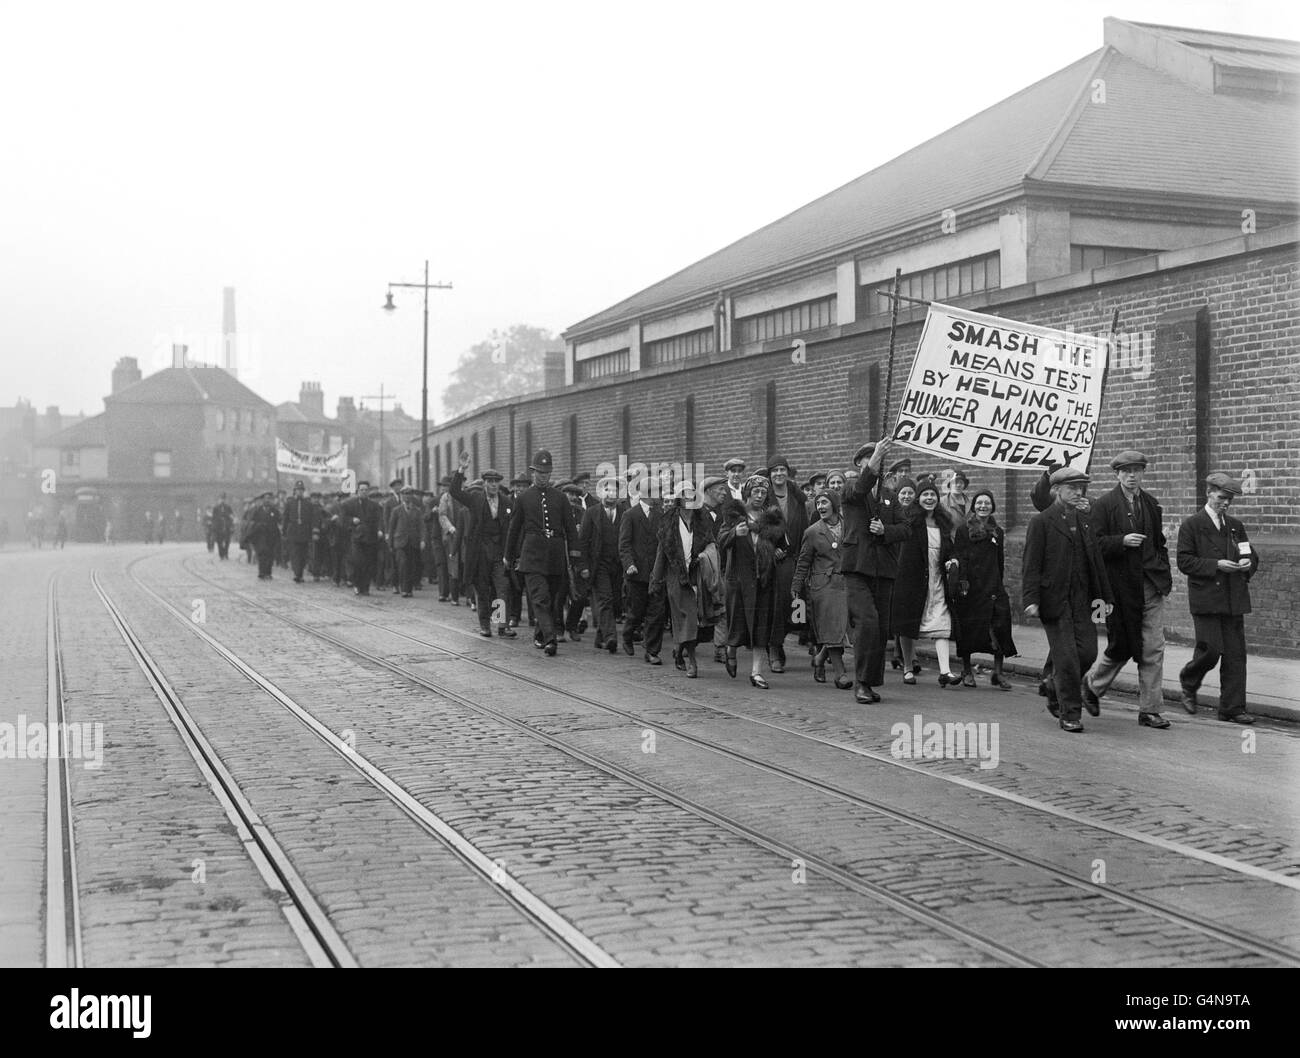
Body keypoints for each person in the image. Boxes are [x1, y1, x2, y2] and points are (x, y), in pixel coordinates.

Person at [1083, 452, 1174, 728]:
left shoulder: (1151, 504)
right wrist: (1121, 540)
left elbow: (1159, 544)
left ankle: (1149, 709)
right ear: (1117, 475)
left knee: (1153, 647)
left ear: (1143, 473)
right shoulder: (1104, 505)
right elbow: (1094, 545)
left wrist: (1163, 572)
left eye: (1136, 470)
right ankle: (1092, 685)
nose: (1132, 476)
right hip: (1121, 588)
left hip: (1150, 584)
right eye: (1126, 471)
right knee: (1122, 645)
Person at [1022, 467, 1113, 733]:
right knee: (1067, 660)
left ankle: (1053, 685)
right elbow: (1031, 565)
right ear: (1056, 490)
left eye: (1080, 488)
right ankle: (1070, 712)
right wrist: (1031, 599)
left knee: (1088, 652)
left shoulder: (1085, 520)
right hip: (1055, 599)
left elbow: (1096, 562)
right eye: (1071, 488)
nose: (1077, 492)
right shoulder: (1041, 522)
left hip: (1084, 600)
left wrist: (1105, 597)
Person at [1176, 473, 1260, 724]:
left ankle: (1232, 708)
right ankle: (1189, 682)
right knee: (1211, 650)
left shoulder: (1235, 526)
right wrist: (1216, 565)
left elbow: (1250, 554)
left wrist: (1247, 564)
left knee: (1235, 655)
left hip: (1234, 598)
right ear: (1209, 493)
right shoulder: (1192, 525)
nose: (1226, 504)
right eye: (1222, 498)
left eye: (1229, 500)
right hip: (1207, 598)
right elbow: (1184, 561)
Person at [841, 439, 909, 703]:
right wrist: (875, 458)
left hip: (884, 570)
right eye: (871, 459)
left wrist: (885, 532)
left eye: (879, 459)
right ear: (860, 463)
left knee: (880, 628)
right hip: (857, 568)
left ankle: (869, 682)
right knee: (867, 623)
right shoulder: (850, 489)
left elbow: (906, 529)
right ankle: (861, 683)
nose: (876, 463)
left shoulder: (890, 497)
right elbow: (860, 489)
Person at [505, 450, 586, 656]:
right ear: (533, 472)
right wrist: (508, 555)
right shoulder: (523, 498)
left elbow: (570, 529)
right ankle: (551, 639)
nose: (543, 476)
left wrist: (575, 555)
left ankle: (541, 634)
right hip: (532, 555)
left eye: (547, 472)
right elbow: (514, 529)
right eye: (540, 472)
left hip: (555, 556)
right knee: (540, 598)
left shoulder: (560, 498)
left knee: (550, 598)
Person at [717, 475, 787, 687]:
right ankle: (731, 649)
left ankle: (756, 672)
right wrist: (734, 533)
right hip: (739, 579)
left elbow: (783, 544)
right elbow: (720, 541)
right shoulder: (735, 516)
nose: (759, 496)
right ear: (747, 493)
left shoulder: (772, 519)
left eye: (763, 493)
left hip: (763, 579)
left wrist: (777, 552)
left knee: (761, 627)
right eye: (755, 492)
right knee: (737, 623)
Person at [894, 477, 961, 687]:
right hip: (913, 578)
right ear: (918, 499)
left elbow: (949, 548)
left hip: (937, 577)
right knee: (908, 623)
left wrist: (952, 560)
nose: (929, 498)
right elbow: (905, 552)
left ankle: (945, 671)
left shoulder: (943, 522)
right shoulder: (911, 521)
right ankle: (907, 667)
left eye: (932, 495)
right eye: (925, 495)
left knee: (943, 621)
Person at [954, 490, 1018, 690]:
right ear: (973, 506)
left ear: (992, 506)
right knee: (969, 629)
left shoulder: (997, 531)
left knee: (1001, 625)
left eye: (987, 503)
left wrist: (999, 583)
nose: (983, 506)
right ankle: (966, 670)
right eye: (979, 503)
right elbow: (960, 557)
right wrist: (963, 583)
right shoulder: (964, 530)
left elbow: (999, 561)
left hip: (993, 586)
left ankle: (998, 673)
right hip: (971, 587)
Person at [792, 490, 853, 689]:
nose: (820, 507)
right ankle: (840, 673)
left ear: (834, 504)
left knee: (841, 627)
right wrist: (796, 584)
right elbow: (803, 561)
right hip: (823, 585)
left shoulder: (849, 525)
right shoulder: (812, 532)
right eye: (818, 503)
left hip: (846, 582)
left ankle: (820, 659)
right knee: (832, 627)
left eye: (824, 502)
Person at [651, 494, 715, 678]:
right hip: (676, 578)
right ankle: (692, 663)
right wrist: (656, 580)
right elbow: (661, 554)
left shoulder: (702, 522)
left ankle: (679, 652)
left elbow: (712, 543)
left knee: (693, 620)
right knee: (688, 618)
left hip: (696, 576)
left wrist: (705, 555)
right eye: (685, 496)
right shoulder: (669, 525)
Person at [450, 453, 514, 635]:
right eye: (490, 481)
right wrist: (461, 470)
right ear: (484, 483)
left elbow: (510, 529)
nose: (493, 485)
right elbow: (454, 492)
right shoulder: (475, 499)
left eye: (496, 481)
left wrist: (508, 554)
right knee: (483, 589)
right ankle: (485, 625)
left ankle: (502, 625)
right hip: (479, 552)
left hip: (499, 553)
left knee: (502, 587)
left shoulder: (507, 502)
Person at [764, 455, 808, 672]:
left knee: (797, 605)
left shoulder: (798, 498)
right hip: (774, 562)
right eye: (775, 470)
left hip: (796, 559)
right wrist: (772, 550)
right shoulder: (765, 498)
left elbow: (805, 528)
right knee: (776, 606)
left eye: (782, 470)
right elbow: (759, 529)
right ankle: (774, 647)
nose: (779, 474)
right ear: (769, 474)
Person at [618, 475, 667, 663]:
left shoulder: (661, 515)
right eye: (658, 491)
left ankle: (652, 650)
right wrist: (629, 564)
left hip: (656, 573)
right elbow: (624, 544)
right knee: (636, 612)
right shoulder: (630, 515)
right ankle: (628, 636)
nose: (660, 495)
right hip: (636, 574)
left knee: (656, 613)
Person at [580, 477, 623, 653]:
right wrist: (583, 566)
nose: (611, 494)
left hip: (619, 565)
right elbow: (582, 541)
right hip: (599, 564)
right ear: (601, 493)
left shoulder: (624, 512)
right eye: (607, 490)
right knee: (605, 599)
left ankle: (600, 636)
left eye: (614, 491)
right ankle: (611, 637)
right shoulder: (591, 513)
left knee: (616, 603)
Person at [341, 481, 384, 595]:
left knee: (369, 563)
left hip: (370, 537)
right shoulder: (349, 504)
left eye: (366, 490)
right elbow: (343, 518)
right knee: (358, 562)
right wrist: (352, 520)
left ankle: (365, 587)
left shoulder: (374, 505)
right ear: (357, 491)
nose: (364, 492)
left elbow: (379, 519)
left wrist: (380, 530)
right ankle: (356, 584)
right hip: (357, 538)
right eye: (362, 490)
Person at [387, 486, 426, 598]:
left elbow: (422, 527)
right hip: (400, 543)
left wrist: (423, 540)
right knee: (403, 564)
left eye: (409, 494)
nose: (407, 497)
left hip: (413, 542)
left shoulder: (417, 511)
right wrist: (390, 544)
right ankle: (404, 589)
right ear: (401, 496)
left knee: (411, 566)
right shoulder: (396, 511)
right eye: (404, 494)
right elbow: (391, 528)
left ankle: (409, 589)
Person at [282, 480, 318, 583]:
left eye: (301, 490)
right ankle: (297, 574)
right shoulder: (289, 503)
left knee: (303, 554)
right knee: (294, 554)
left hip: (304, 532)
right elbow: (285, 518)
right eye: (298, 490)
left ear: (304, 491)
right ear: (294, 491)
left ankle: (300, 573)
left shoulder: (308, 504)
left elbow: (313, 519)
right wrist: (284, 532)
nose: (299, 492)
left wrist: (314, 532)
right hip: (293, 531)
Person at [249, 493, 282, 580]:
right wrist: (259, 525)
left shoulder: (274, 511)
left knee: (270, 554)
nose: (267, 500)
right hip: (260, 535)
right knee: (262, 553)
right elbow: (252, 522)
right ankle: (261, 572)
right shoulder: (257, 511)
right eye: (266, 498)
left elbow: (280, 521)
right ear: (263, 500)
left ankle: (268, 572)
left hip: (271, 535)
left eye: (269, 498)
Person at [212, 494, 234, 560]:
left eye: (224, 499)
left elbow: (231, 516)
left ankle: (226, 553)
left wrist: (231, 523)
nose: (222, 500)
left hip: (227, 526)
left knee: (227, 541)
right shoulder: (216, 508)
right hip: (219, 526)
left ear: (225, 500)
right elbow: (214, 518)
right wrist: (214, 526)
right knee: (219, 541)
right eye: (221, 499)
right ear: (219, 499)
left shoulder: (228, 507)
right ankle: (221, 554)